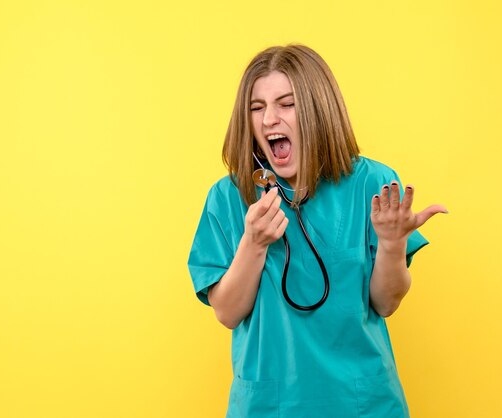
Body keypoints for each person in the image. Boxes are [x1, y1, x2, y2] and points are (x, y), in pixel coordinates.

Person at [188, 44, 447, 418]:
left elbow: (386, 303)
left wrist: (391, 244)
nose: (268, 120)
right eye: (256, 108)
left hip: (362, 404)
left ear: (318, 108)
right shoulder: (229, 197)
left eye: (286, 104)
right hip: (269, 405)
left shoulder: (372, 184)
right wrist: (254, 244)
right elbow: (227, 313)